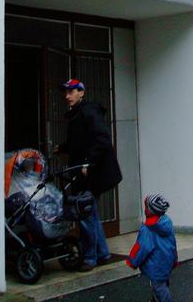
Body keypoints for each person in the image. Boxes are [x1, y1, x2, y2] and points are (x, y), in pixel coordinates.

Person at [54, 78, 122, 271]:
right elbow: (81, 141)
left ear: (81, 93)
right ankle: (103, 253)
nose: (67, 96)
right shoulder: (78, 113)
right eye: (66, 92)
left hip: (92, 174)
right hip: (86, 173)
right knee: (89, 212)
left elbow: (102, 139)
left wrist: (87, 162)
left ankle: (90, 258)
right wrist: (63, 148)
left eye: (71, 92)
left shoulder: (88, 112)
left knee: (85, 214)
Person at [126, 194, 178, 302]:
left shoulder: (147, 229)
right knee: (163, 282)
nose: (144, 209)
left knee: (159, 288)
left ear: (150, 211)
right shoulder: (167, 223)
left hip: (156, 265)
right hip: (167, 262)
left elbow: (141, 248)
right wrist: (174, 260)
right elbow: (173, 244)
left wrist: (132, 261)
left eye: (146, 207)